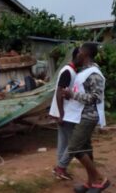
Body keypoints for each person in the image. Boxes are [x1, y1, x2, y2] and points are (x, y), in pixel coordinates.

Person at [63, 43, 110, 193]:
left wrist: (73, 94)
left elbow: (96, 98)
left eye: (80, 51)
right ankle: (91, 183)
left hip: (89, 116)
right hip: (81, 114)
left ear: (85, 54)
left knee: (74, 148)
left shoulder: (94, 74)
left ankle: (99, 178)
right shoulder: (85, 71)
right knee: (85, 149)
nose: (77, 54)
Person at [49, 47, 80, 180]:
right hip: (65, 113)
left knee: (63, 142)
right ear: (77, 56)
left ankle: (60, 170)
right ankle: (61, 167)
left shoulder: (71, 71)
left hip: (64, 112)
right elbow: (59, 92)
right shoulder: (68, 71)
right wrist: (61, 114)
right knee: (75, 142)